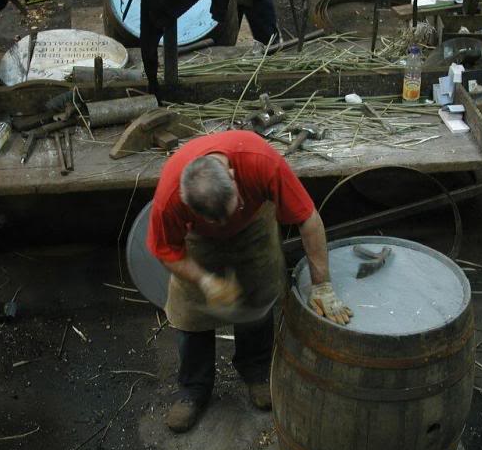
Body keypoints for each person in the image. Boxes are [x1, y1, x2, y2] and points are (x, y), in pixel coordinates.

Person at [146, 130, 351, 433]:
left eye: (228, 211)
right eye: (217, 219)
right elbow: (165, 251)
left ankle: (255, 370)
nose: (223, 224)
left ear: (232, 175)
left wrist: (322, 284)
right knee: (189, 311)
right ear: (186, 200)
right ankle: (193, 389)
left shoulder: (259, 160)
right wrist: (204, 281)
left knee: (259, 293)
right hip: (198, 241)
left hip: (253, 223)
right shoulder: (169, 198)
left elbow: (308, 218)